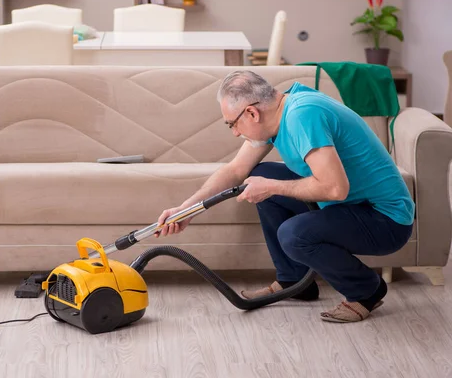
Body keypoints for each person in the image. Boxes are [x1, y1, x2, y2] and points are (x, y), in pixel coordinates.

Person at [155, 70, 414, 323]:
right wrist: (187, 210)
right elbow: (236, 170)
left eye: (232, 124)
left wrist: (272, 187)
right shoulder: (280, 109)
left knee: (293, 233)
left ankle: (366, 291)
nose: (234, 133)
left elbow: (336, 189)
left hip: (384, 219)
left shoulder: (303, 116)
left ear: (252, 113)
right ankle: (295, 281)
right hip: (347, 205)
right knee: (259, 174)